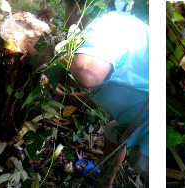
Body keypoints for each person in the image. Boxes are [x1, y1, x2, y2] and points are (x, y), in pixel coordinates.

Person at [51, 7, 149, 187]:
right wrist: (63, 99)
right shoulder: (130, 31)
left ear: (79, 8)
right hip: (141, 120)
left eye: (68, 6)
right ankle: (105, 183)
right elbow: (107, 92)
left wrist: (46, 58)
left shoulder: (111, 23)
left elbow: (86, 73)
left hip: (152, 137)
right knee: (113, 130)